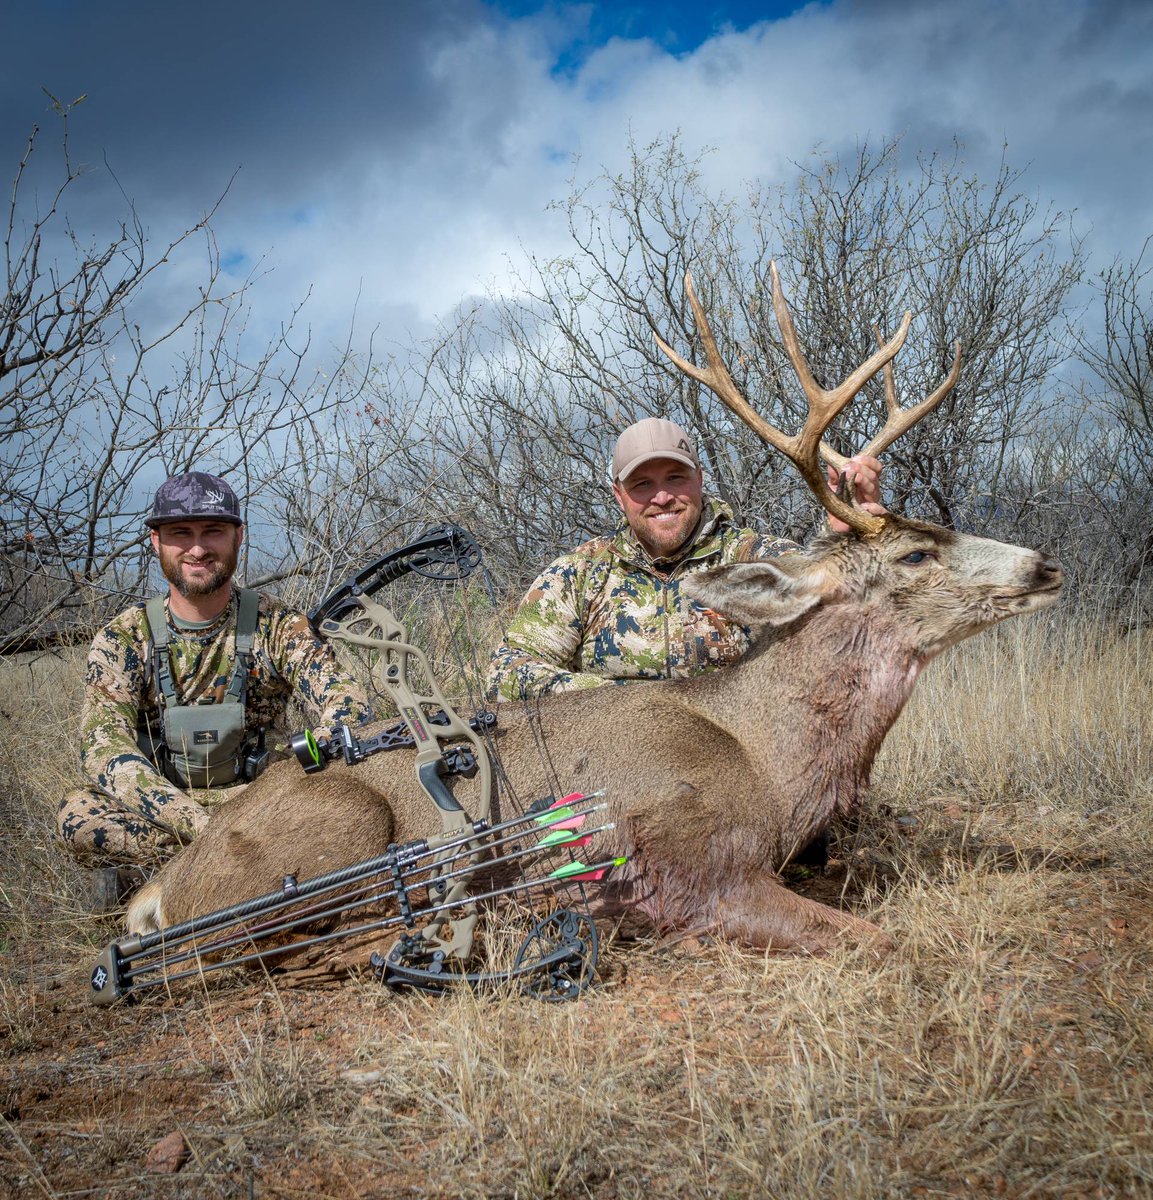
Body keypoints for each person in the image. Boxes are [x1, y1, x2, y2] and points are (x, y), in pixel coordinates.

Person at [58, 471, 372, 905]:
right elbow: (103, 746)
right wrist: (204, 826)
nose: (198, 548)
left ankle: (183, 882)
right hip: (167, 814)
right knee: (79, 815)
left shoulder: (280, 625)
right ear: (156, 542)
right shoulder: (124, 639)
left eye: (213, 532)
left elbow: (348, 706)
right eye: (180, 533)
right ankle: (224, 873)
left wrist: (297, 770)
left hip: (265, 804)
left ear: (238, 537)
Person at [486, 417, 882, 702]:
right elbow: (507, 673)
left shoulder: (752, 558)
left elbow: (844, 626)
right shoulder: (583, 573)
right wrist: (634, 704)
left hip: (736, 760)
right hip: (617, 758)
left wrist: (850, 536)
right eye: (643, 484)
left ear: (700, 480)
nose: (661, 497)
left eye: (675, 477)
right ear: (618, 496)